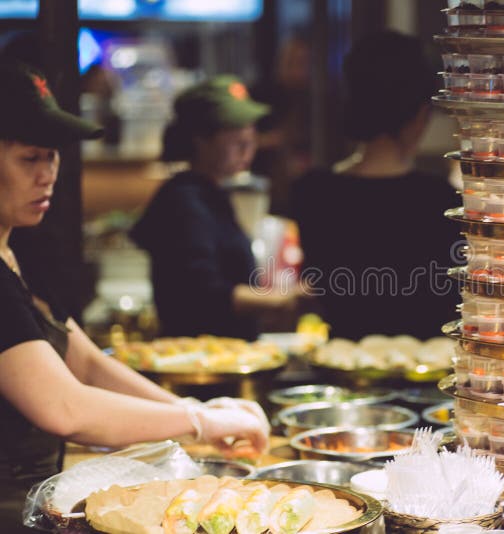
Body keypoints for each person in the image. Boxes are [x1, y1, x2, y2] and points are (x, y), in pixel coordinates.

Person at [0, 62, 270, 532]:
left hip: (39, 499)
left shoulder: (19, 251)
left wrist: (197, 412)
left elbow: (85, 363)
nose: (48, 175)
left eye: (53, 155)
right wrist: (196, 421)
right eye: (30, 158)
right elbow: (65, 408)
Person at [289, 31, 459, 340]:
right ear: (420, 115)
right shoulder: (440, 200)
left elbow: (320, 287)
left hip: (342, 366)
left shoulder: (312, 192)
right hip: (426, 371)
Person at [130, 75, 297, 341]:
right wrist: (281, 299)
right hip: (201, 362)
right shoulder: (185, 201)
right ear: (200, 139)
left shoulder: (210, 193)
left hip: (225, 357)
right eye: (235, 135)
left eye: (251, 134)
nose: (247, 145)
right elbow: (204, 294)